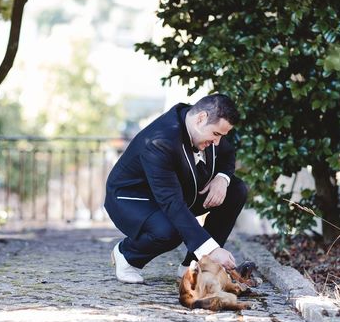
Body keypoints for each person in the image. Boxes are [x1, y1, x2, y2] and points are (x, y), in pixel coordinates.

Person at [104, 94, 248, 283]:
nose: (218, 142)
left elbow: (227, 153)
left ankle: (193, 266)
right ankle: (127, 255)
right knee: (170, 230)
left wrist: (222, 179)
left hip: (179, 191)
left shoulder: (206, 127)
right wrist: (212, 250)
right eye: (216, 134)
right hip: (133, 198)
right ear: (201, 118)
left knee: (236, 190)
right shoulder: (160, 141)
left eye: (222, 136)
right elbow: (171, 202)